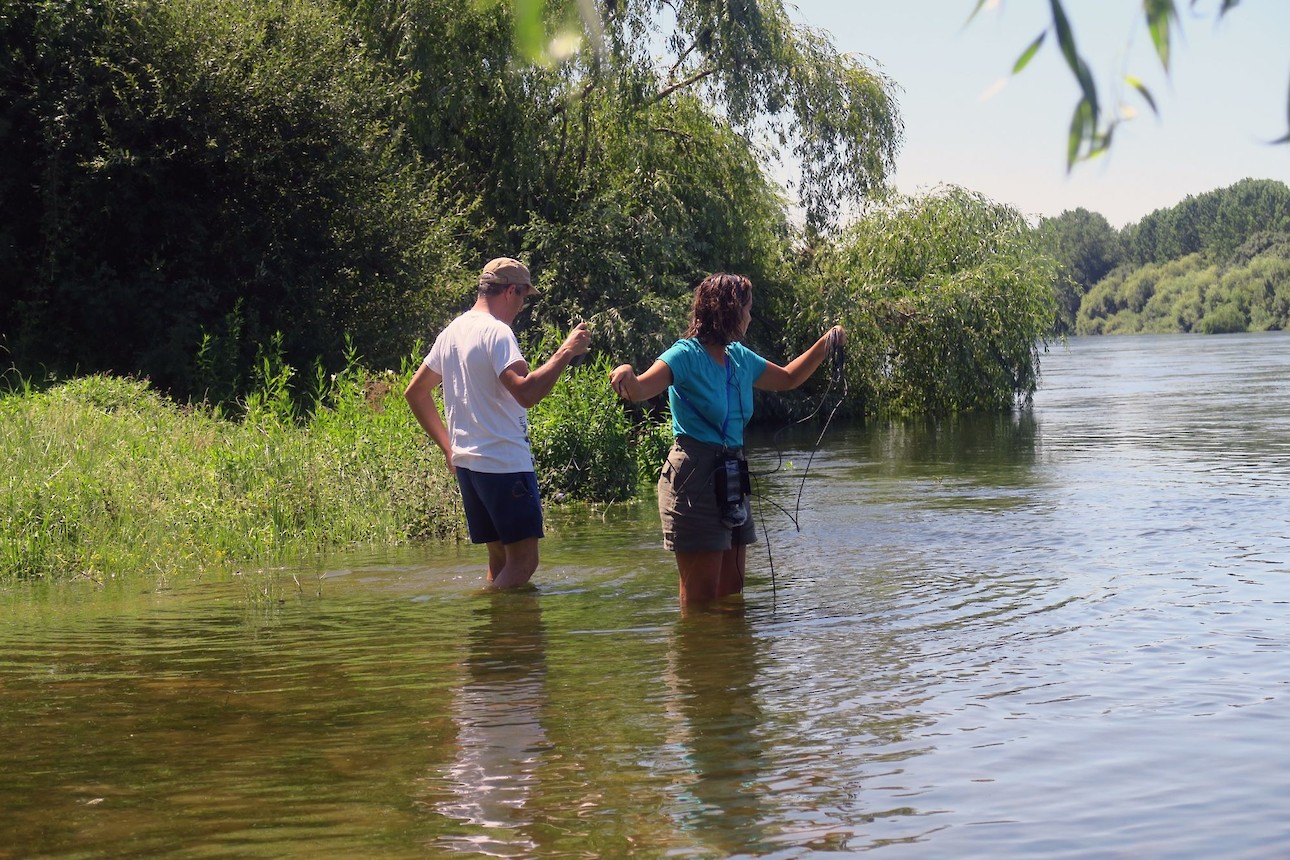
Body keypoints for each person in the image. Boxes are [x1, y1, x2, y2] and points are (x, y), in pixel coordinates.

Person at [609, 272, 845, 605]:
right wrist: (626, 373)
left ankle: (730, 658)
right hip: (693, 477)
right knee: (701, 598)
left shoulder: (740, 358)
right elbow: (641, 389)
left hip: (731, 473)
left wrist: (826, 344)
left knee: (732, 591)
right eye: (747, 308)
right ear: (729, 310)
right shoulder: (685, 355)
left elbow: (790, 378)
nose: (750, 316)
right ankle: (693, 657)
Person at [404, 257, 590, 589]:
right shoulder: (497, 332)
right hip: (503, 465)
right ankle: (487, 620)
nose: (521, 307)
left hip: (469, 467)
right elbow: (526, 392)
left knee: (501, 559)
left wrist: (449, 448)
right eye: (523, 297)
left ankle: (495, 638)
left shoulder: (453, 331)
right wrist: (566, 352)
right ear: (510, 291)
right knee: (524, 561)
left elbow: (416, 393)